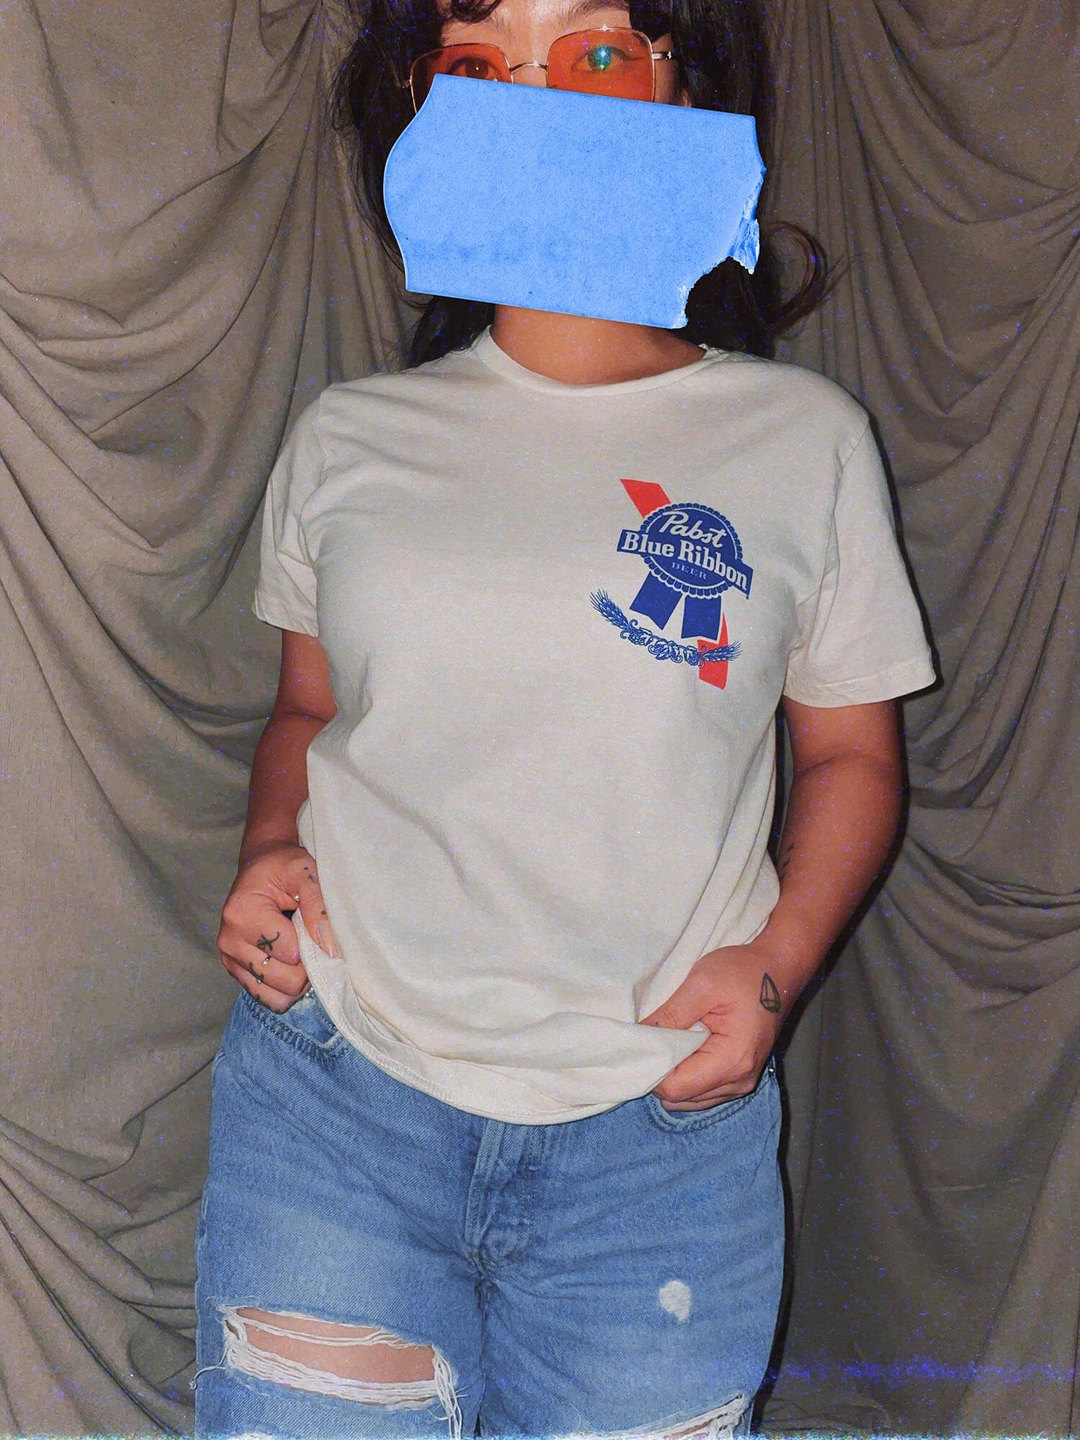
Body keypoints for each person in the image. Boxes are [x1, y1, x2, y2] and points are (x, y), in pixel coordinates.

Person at [193, 0, 935, 1433]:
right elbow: (308, 706)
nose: (538, 108)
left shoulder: (806, 444)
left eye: (594, 54)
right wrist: (271, 843)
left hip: (659, 1139)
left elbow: (851, 755)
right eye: (479, 67)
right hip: (335, 1098)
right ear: (421, 115)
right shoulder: (350, 436)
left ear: (684, 92)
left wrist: (776, 969)